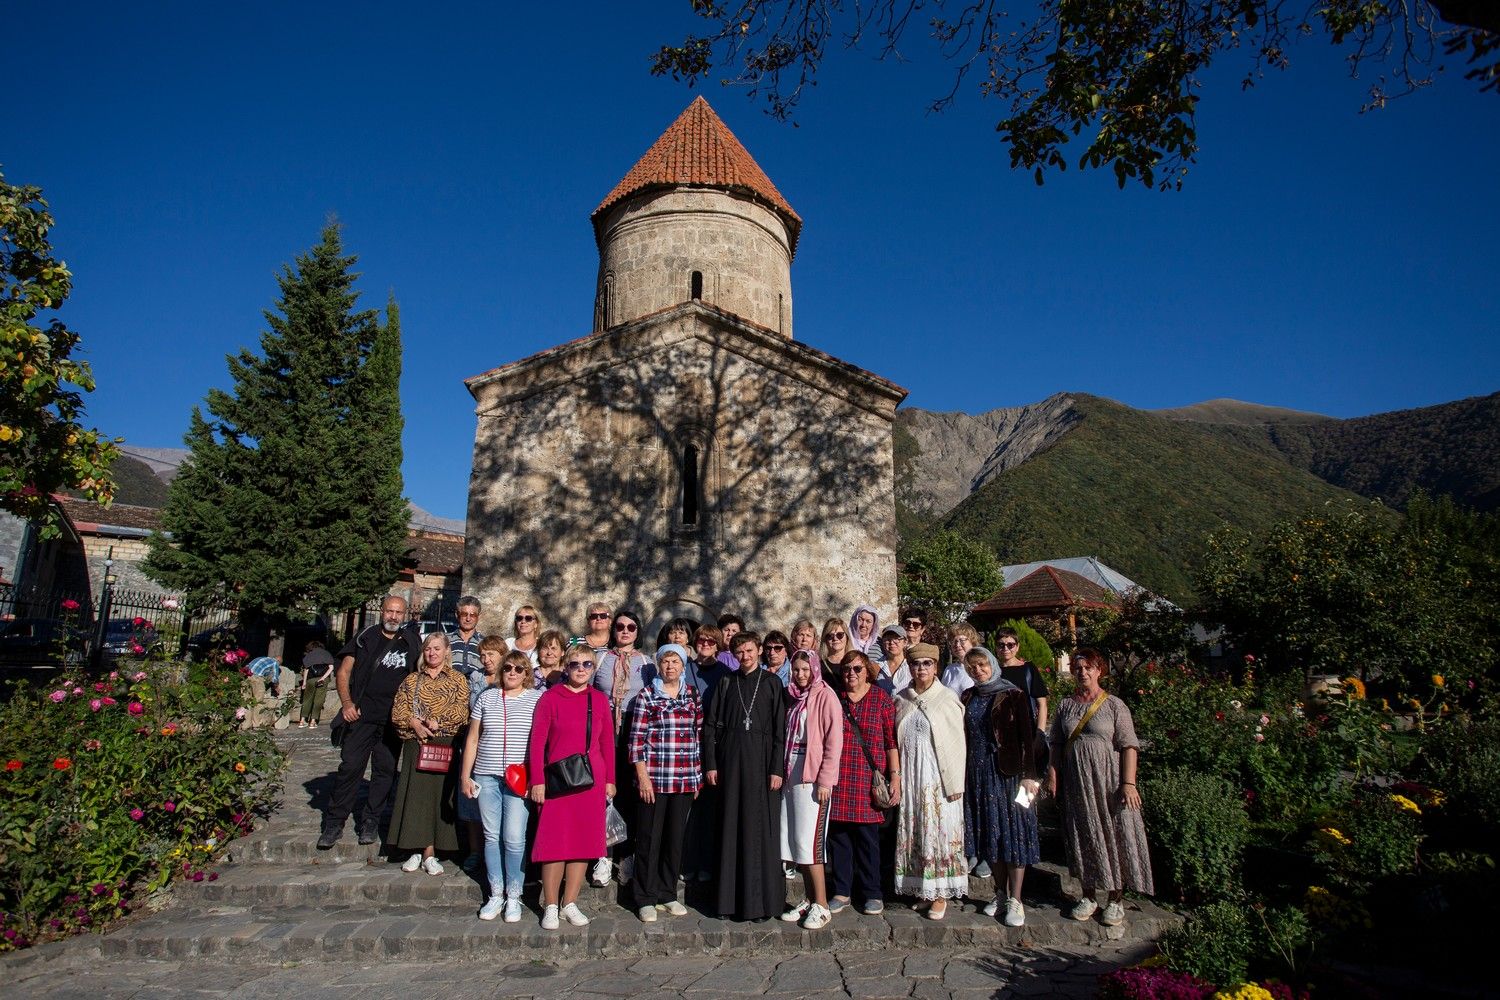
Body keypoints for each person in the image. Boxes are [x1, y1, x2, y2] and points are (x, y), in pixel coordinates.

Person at [1045, 648, 1153, 928]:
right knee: (1083, 835)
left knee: (1113, 834)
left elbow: (1129, 745)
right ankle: (1088, 894)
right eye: (1077, 668)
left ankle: (1115, 899)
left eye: (1088, 668)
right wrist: (1053, 776)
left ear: (1099, 670)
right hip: (1077, 782)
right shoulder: (1066, 706)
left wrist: (1128, 783)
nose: (1082, 672)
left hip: (1108, 782)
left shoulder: (1114, 705)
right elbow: (1056, 743)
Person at [320, 595, 423, 849]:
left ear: (405, 614)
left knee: (385, 772)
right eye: (389, 611)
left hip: (392, 720)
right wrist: (346, 703)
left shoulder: (411, 640)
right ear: (382, 612)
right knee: (350, 767)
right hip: (362, 717)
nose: (393, 616)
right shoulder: (366, 637)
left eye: (398, 613)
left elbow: (420, 675)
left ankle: (371, 821)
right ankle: (334, 822)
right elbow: (344, 671)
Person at [528, 645, 616, 930]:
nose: (581, 669)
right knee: (554, 844)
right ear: (565, 667)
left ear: (593, 669)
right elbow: (538, 741)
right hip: (557, 781)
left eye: (587, 664)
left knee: (582, 843)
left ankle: (570, 902)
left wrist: (610, 780)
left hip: (590, 781)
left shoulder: (599, 699)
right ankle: (551, 904)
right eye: (575, 663)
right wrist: (537, 780)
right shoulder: (550, 698)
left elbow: (606, 744)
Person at [702, 631, 787, 921]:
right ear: (734, 655)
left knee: (760, 831)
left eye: (750, 651)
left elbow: (780, 732)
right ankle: (728, 902)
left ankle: (760, 904)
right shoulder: (726, 682)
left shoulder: (773, 684)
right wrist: (711, 764)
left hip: (763, 765)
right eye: (740, 653)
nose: (745, 656)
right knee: (730, 827)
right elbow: (711, 726)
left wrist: (777, 769)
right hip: (730, 762)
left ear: (759, 650)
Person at [961, 648, 1041, 927]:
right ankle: (999, 893)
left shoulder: (1014, 695)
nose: (978, 671)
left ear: (992, 664)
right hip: (978, 774)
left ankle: (1016, 898)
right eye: (972, 668)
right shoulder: (969, 696)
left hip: (1008, 775)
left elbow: (1027, 738)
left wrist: (1030, 775)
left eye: (982, 665)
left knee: (1013, 833)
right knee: (990, 834)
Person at [460, 647, 540, 922]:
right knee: (491, 836)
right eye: (508, 668)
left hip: (519, 779)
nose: (513, 673)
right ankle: (496, 893)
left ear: (526, 673)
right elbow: (472, 738)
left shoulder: (536, 699)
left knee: (515, 838)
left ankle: (514, 896)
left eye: (519, 669)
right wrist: (465, 775)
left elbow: (540, 743)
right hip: (486, 775)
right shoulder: (487, 697)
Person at [626, 643, 702, 922]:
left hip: (683, 779)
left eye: (675, 662)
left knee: (674, 839)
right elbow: (636, 742)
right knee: (648, 838)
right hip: (655, 780)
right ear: (658, 665)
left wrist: (697, 777)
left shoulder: (692, 695)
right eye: (665, 661)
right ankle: (645, 896)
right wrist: (643, 778)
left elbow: (697, 737)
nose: (670, 666)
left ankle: (667, 893)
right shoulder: (647, 696)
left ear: (683, 666)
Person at [892, 642, 968, 918]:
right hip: (912, 777)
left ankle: (940, 894)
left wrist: (956, 782)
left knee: (937, 831)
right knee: (917, 831)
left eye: (927, 663)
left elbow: (958, 744)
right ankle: (924, 889)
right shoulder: (901, 698)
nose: (921, 668)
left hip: (937, 778)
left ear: (936, 667)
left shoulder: (947, 698)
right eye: (916, 664)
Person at [388, 632, 469, 875]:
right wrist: (413, 723)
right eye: (428, 649)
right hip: (417, 743)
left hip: (443, 744)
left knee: (436, 799)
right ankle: (414, 847)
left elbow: (461, 711)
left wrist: (438, 721)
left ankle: (431, 852)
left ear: (446, 651)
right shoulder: (412, 680)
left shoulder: (457, 679)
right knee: (415, 798)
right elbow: (398, 711)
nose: (432, 653)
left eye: (436, 648)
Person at [827, 651, 899, 916]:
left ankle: (872, 892)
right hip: (841, 778)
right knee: (840, 839)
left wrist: (896, 778)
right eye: (847, 669)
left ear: (867, 671)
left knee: (868, 841)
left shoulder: (880, 699)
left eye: (857, 669)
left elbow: (891, 742)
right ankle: (842, 891)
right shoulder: (836, 698)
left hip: (869, 780)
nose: (852, 674)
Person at [778, 649, 842, 930]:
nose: (801, 674)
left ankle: (823, 905)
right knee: (796, 842)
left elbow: (833, 741)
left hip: (813, 776)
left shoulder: (826, 696)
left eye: (806, 669)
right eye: (796, 670)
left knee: (811, 843)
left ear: (814, 669)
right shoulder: (793, 696)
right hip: (792, 773)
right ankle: (808, 899)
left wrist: (825, 779)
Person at [592, 609, 654, 886]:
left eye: (631, 627)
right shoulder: (600, 658)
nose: (625, 631)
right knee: (604, 792)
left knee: (629, 794)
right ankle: (603, 856)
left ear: (637, 631)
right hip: (604, 730)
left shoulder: (647, 663)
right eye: (620, 626)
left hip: (634, 729)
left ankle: (626, 856)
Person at [997, 626, 1051, 734]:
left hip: (1027, 729)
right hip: (1000, 731)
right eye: (1001, 645)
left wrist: (1040, 733)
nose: (1005, 649)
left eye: (1010, 645)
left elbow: (1042, 704)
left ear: (1017, 647)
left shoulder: (1028, 669)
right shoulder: (992, 672)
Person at [448, 596, 485, 682]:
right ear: (457, 615)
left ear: (478, 617)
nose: (468, 619)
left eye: (473, 615)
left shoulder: (485, 643)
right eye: (464, 614)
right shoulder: (445, 640)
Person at [298, 642, 335, 727]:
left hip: (310, 680)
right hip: (322, 680)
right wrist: (323, 678)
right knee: (318, 700)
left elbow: (306, 669)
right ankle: (313, 722)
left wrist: (304, 683)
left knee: (307, 700)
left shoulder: (309, 655)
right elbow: (331, 668)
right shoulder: (326, 654)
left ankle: (302, 721)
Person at [244, 654, 281, 728]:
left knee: (246, 701)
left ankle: (246, 725)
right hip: (257, 679)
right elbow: (275, 679)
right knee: (259, 702)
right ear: (279, 661)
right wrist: (277, 688)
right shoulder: (275, 662)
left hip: (246, 678)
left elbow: (247, 666)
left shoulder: (259, 658)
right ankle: (257, 724)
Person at [877, 624, 911, 694]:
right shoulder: (876, 666)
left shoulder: (911, 666)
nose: (892, 642)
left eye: (896, 639)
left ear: (905, 642)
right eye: (887, 639)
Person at [508, 605, 542, 671]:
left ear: (536, 624)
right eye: (519, 618)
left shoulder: (541, 645)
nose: (523, 621)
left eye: (528, 618)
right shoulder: (508, 643)